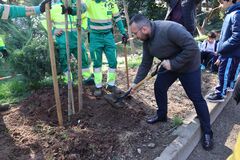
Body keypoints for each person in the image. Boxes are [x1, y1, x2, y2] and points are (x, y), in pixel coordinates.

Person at [129, 14, 213, 150]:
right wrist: (135, 83)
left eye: (135, 33)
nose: (135, 37)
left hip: (189, 66)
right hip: (169, 65)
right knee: (159, 87)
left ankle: (208, 132)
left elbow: (192, 48)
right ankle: (162, 115)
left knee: (196, 97)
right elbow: (145, 63)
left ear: (144, 29)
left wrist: (173, 63)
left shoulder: (170, 29)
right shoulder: (147, 41)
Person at [63, 0, 128, 96]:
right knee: (97, 62)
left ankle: (110, 84)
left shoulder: (111, 2)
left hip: (108, 36)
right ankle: (98, 86)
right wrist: (71, 11)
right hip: (95, 37)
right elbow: (81, 8)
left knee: (113, 61)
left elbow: (117, 18)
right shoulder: (89, 2)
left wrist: (123, 32)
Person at [41, 0, 93, 85]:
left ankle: (87, 78)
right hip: (62, 39)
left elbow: (85, 18)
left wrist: (83, 28)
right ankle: (69, 81)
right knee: (64, 59)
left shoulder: (76, 5)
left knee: (83, 57)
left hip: (76, 38)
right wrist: (53, 30)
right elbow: (43, 18)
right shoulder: (54, 6)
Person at [206, 0, 240, 102]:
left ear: (230, 1)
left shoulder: (236, 14)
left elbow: (237, 36)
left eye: (221, 2)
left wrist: (222, 48)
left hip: (229, 52)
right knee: (228, 72)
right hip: (231, 51)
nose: (220, 5)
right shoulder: (233, 13)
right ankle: (228, 87)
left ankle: (220, 93)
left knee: (223, 72)